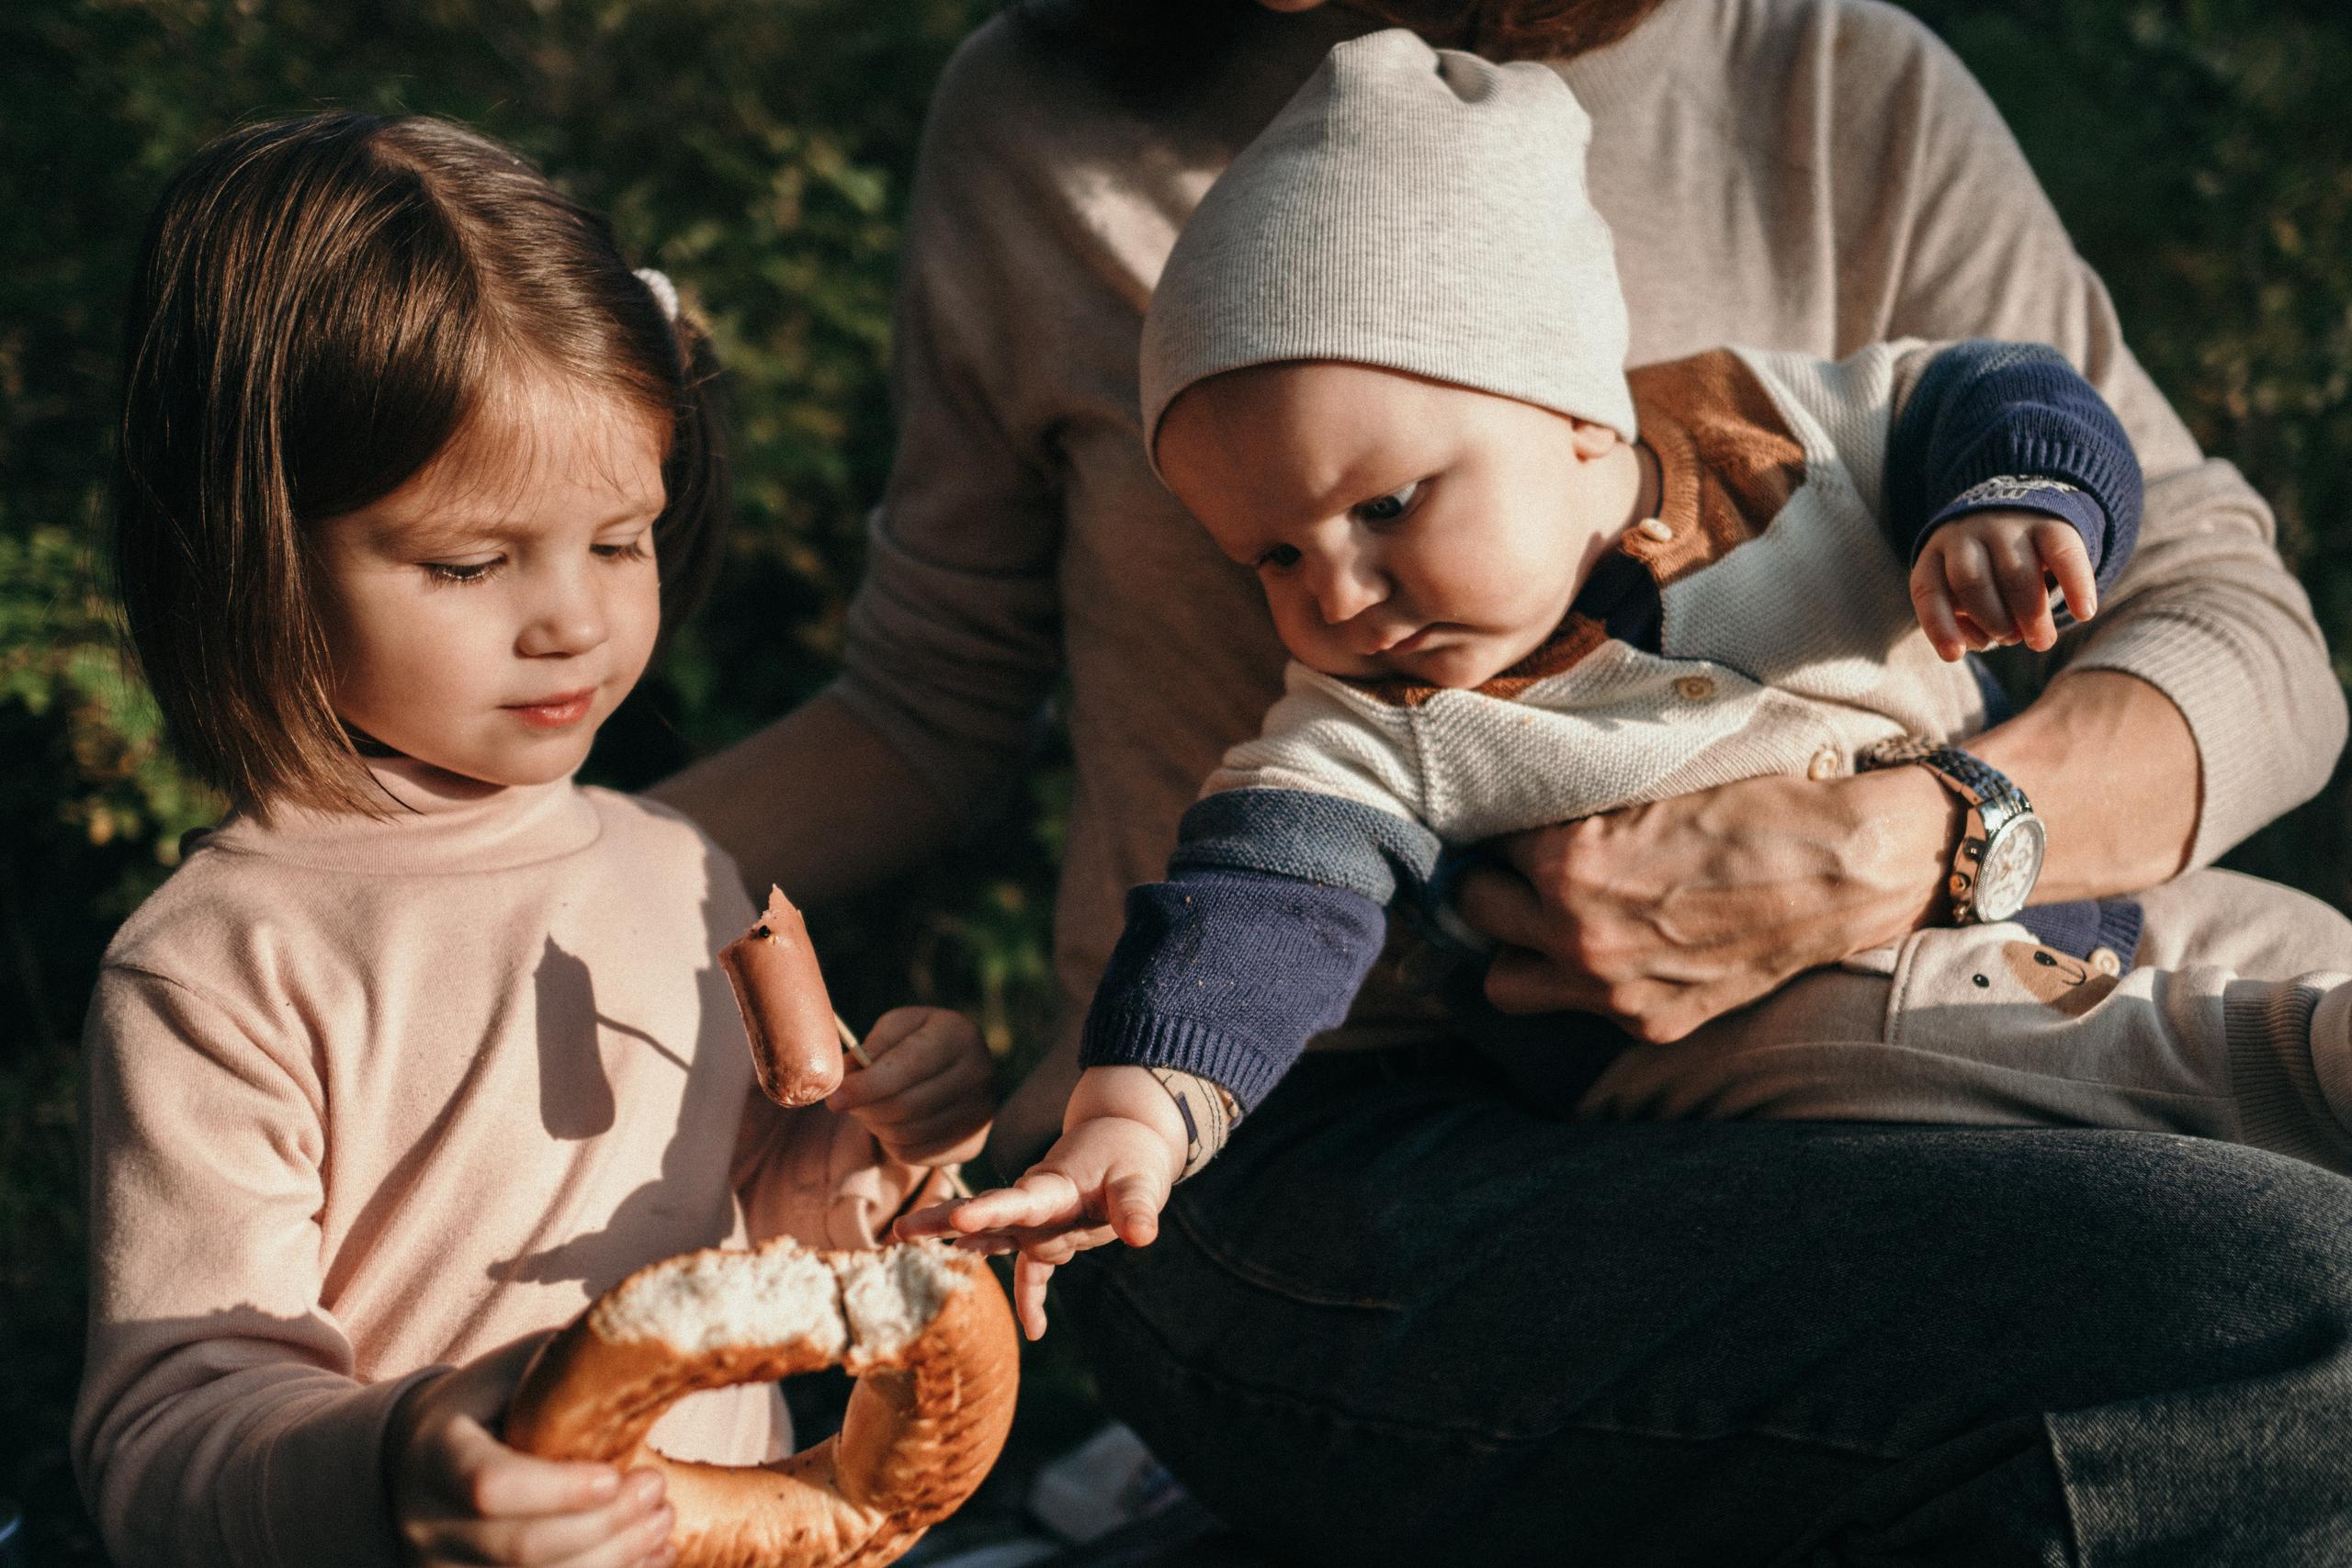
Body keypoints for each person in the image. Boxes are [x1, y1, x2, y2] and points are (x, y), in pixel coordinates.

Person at [658, 0, 2352, 1560]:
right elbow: (960, 716)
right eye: (1266, 557)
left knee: (2236, 1008)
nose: (1327, 597)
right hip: (1331, 1145)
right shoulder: (1057, 128)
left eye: (1388, 510)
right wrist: (494, 861)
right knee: (2285, 1288)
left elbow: (2141, 540)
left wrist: (1921, 817)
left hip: (1979, 914)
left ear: (1591, 438)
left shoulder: (1818, 154)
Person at [73, 113, 997, 1568]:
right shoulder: (220, 966)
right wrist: (400, 1462)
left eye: (619, 540)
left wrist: (868, 1152)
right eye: (469, 562)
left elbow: (754, 1237)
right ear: (250, 541)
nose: (572, 618)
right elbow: (167, 1435)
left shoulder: (685, 874)